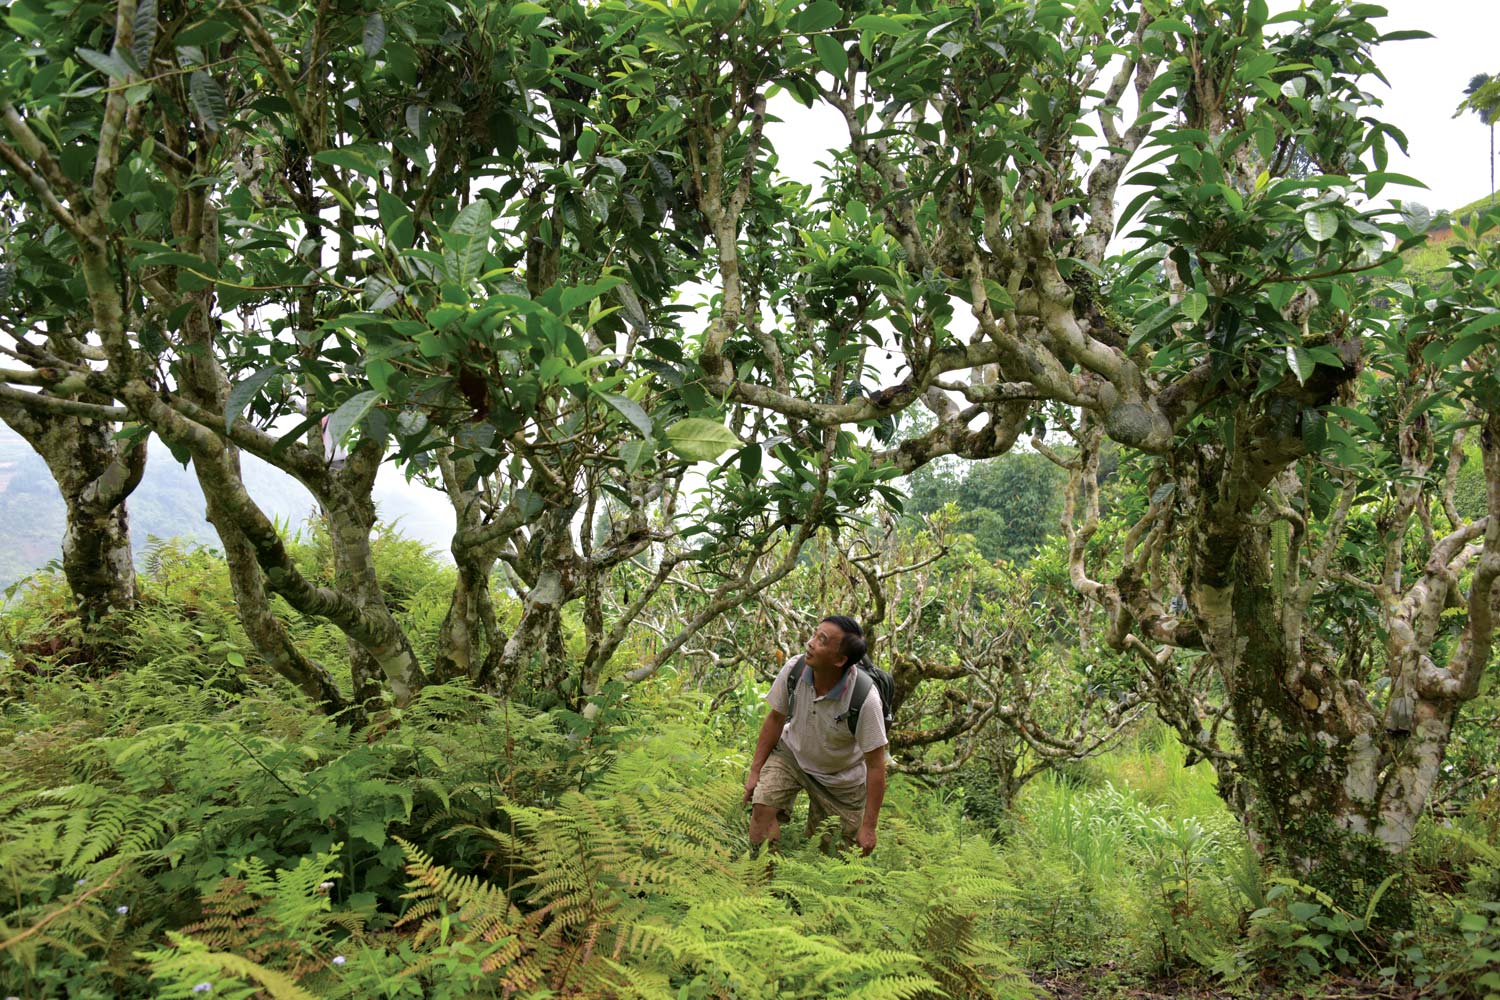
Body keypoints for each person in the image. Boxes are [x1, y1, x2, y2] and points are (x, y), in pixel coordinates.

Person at [743, 615, 888, 855]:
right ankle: (763, 884)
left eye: (822, 640)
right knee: (762, 810)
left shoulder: (865, 699)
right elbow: (776, 718)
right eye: (814, 634)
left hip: (840, 779)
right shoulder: (795, 669)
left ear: (840, 659)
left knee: (829, 855)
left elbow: (875, 766)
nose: (810, 643)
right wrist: (755, 771)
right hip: (792, 755)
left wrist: (869, 826)